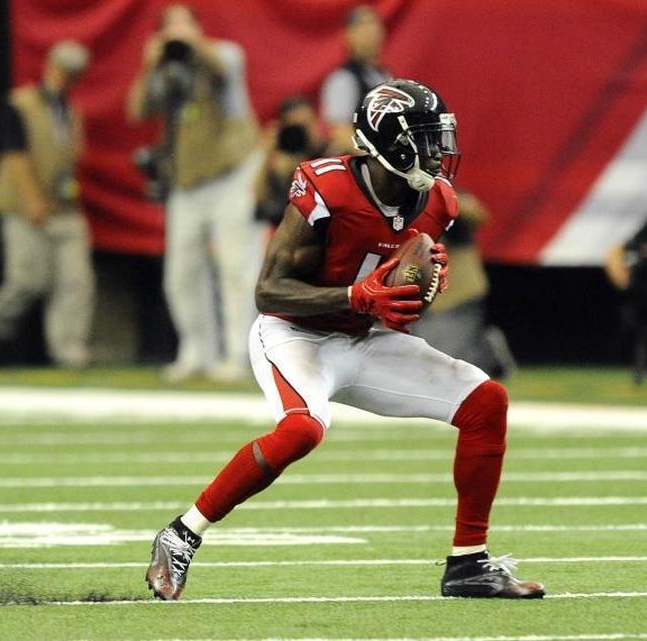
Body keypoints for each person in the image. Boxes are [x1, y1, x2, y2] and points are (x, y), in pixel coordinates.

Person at [144, 79, 544, 601]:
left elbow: (395, 294)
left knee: (486, 401)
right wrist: (358, 297)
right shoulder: (326, 186)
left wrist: (420, 285)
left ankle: (468, 563)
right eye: (425, 140)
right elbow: (269, 292)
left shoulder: (438, 202)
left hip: (363, 337)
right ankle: (181, 534)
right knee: (301, 431)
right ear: (391, 143)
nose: (439, 154)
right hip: (296, 333)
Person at [126, 4, 264, 382]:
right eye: (168, 27)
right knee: (181, 272)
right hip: (187, 181)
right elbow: (137, 111)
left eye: (183, 24)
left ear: (199, 29)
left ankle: (239, 352)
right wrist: (150, 63)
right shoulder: (167, 71)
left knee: (237, 266)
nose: (176, 33)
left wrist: (191, 43)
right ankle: (196, 350)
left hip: (232, 172)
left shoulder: (223, 54)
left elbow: (222, 71)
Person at [0, 40, 93, 368]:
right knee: (27, 280)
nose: (67, 77)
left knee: (76, 280)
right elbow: (14, 155)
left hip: (63, 205)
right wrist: (32, 199)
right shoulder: (20, 104)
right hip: (23, 205)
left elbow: (71, 156)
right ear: (50, 67)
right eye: (64, 70)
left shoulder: (71, 109)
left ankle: (68, 350)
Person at [412, 192, 516, 379]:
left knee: (449, 363)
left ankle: (488, 354)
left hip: (456, 292)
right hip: (417, 294)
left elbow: (478, 216)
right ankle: (486, 347)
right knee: (421, 358)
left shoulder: (445, 197)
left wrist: (434, 200)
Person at [319, 5, 391, 155]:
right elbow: (340, 132)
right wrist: (376, 156)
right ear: (348, 34)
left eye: (373, 23)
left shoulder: (385, 76)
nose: (370, 30)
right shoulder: (342, 79)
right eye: (363, 24)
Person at [254, 96, 328, 228]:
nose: (302, 134)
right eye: (296, 128)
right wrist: (268, 155)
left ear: (316, 120)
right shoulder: (281, 166)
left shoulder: (334, 154)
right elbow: (260, 201)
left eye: (306, 125)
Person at [604, 220, 647, 384]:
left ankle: (638, 370)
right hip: (641, 300)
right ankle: (638, 371)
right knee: (640, 338)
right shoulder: (640, 237)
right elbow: (628, 249)